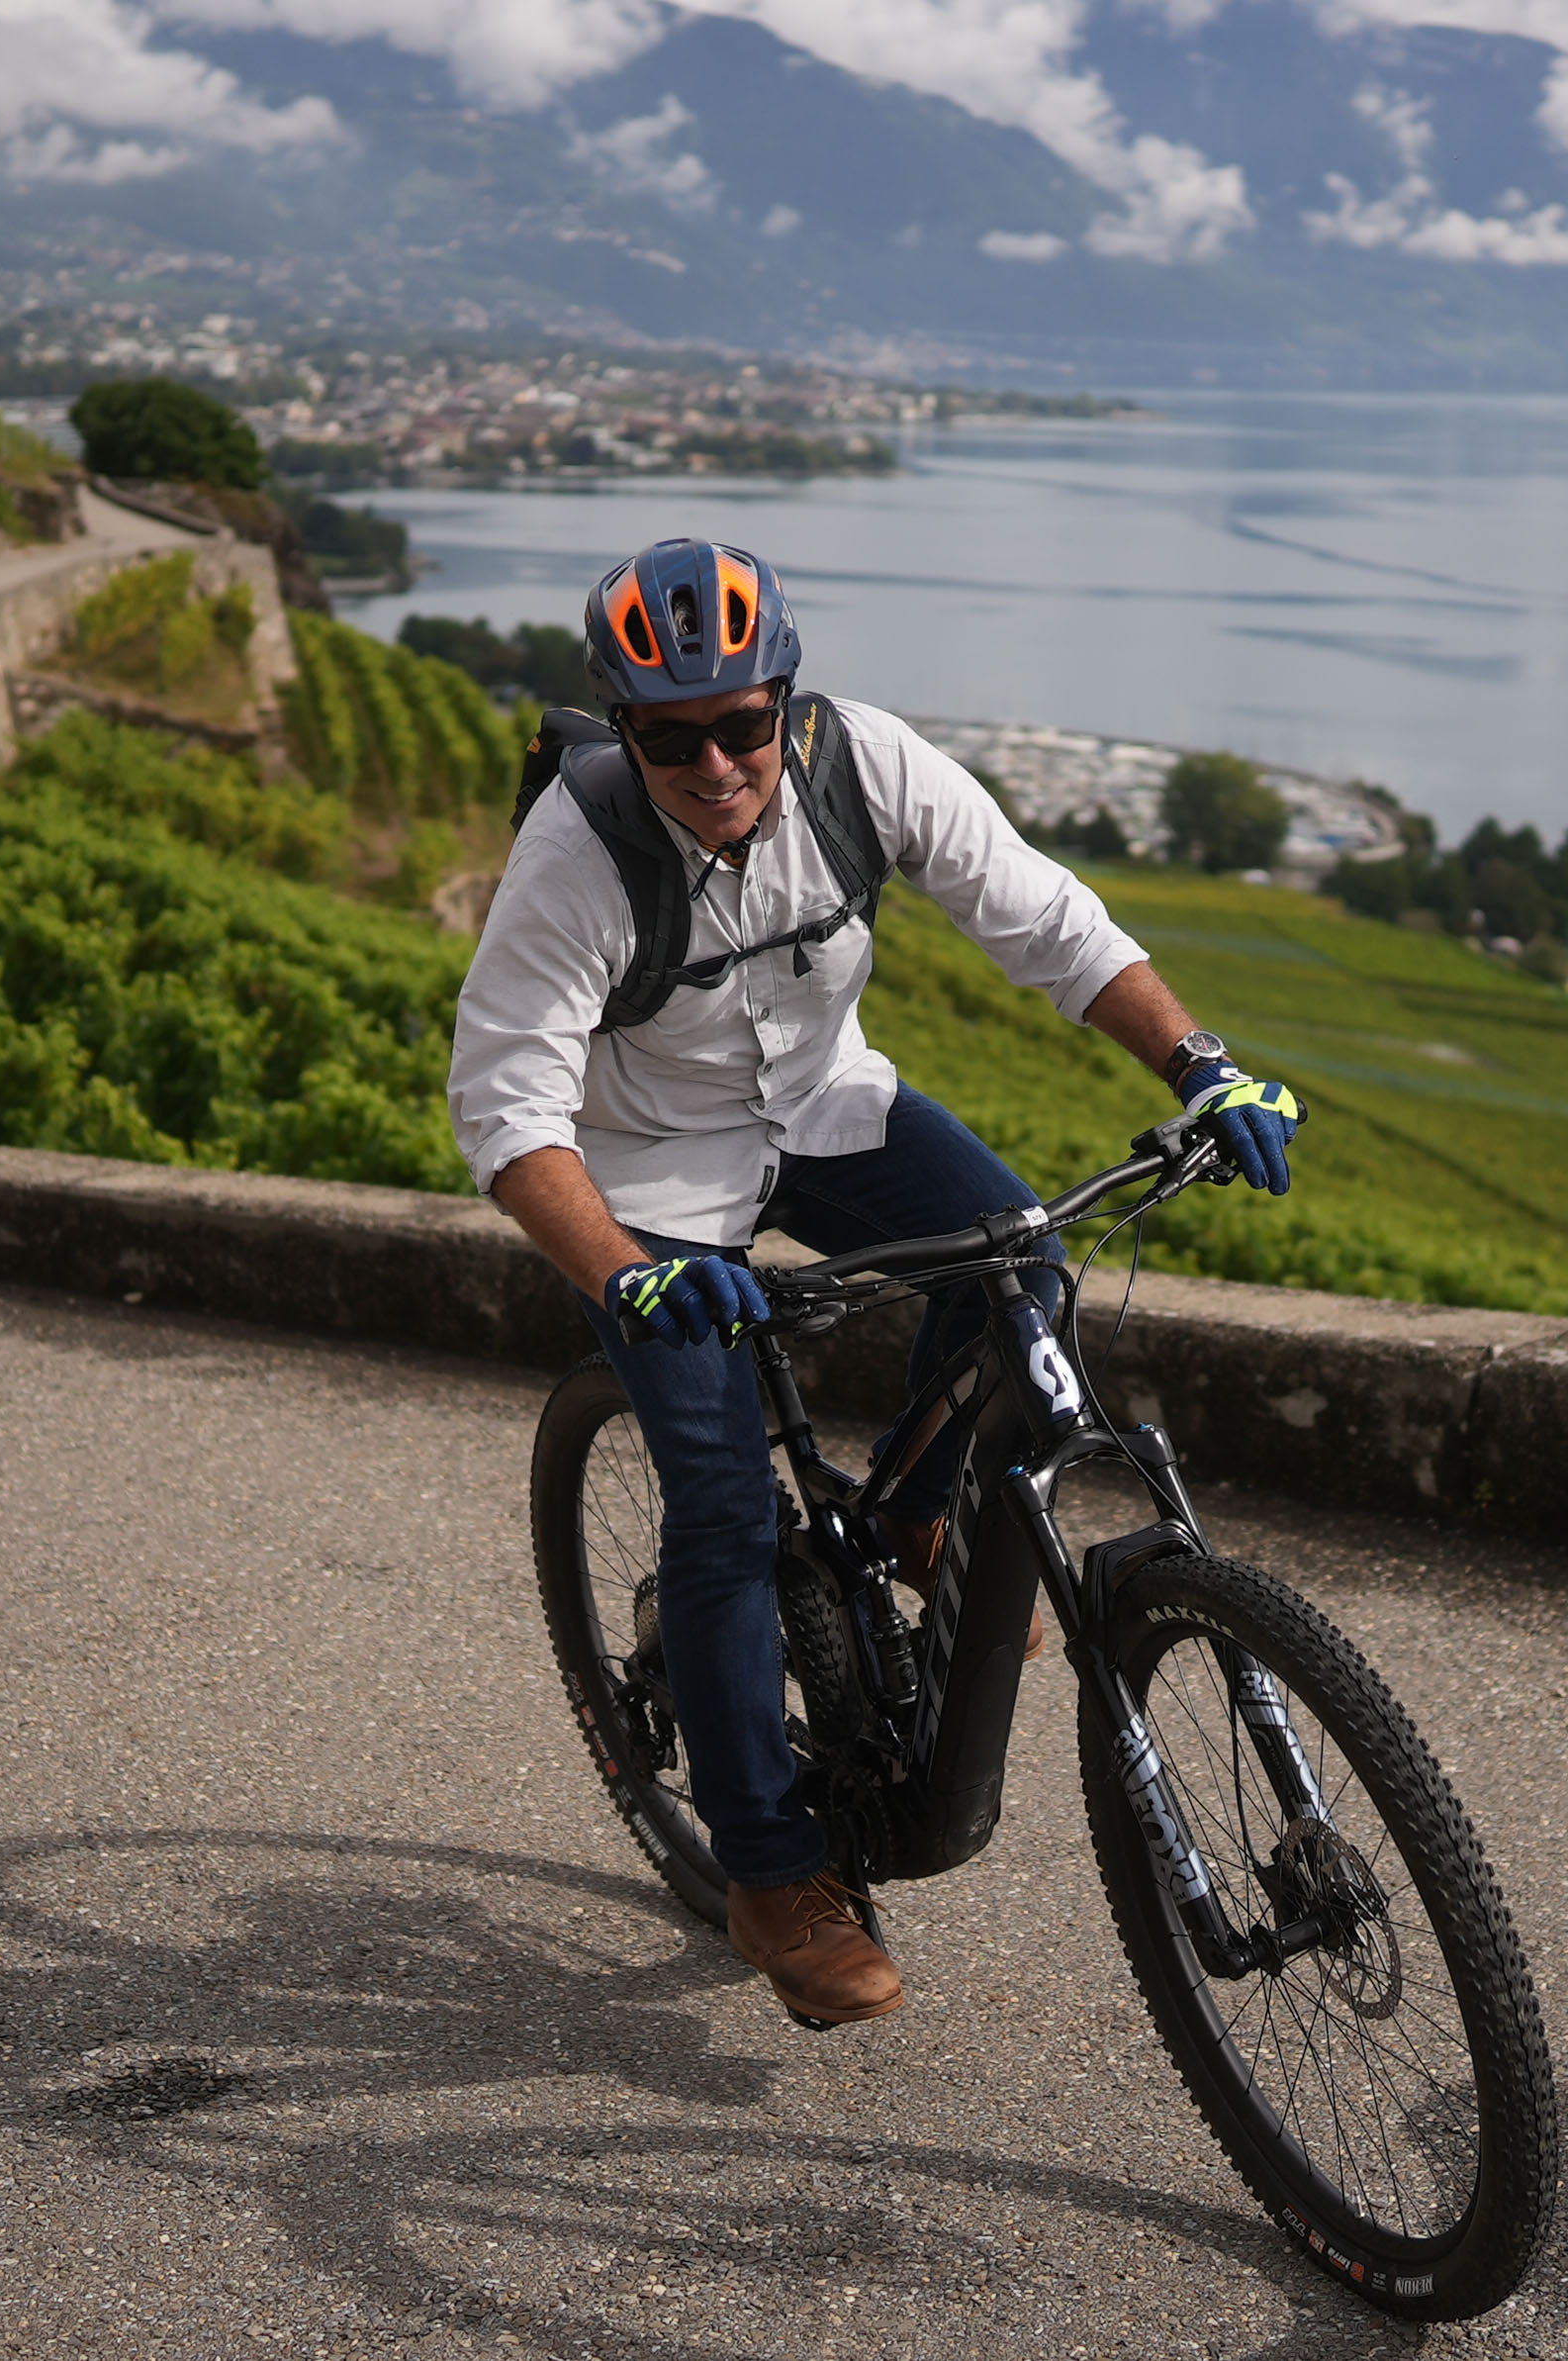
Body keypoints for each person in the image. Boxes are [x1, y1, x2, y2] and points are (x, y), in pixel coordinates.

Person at [451, 538, 1304, 2028]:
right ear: (625, 729)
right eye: (670, 738)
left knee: (1022, 1268)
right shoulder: (577, 856)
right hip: (649, 1177)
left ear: (785, 699)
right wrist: (629, 1278)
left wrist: (1200, 1065)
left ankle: (914, 1506)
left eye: (742, 723)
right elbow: (509, 1111)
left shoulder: (868, 764)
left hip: (828, 1105)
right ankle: (771, 1870)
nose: (716, 763)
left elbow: (1049, 924)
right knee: (723, 1505)